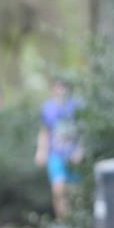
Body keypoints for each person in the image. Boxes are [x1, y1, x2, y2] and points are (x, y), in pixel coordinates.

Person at [34, 77, 81, 220]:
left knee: (75, 193)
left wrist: (80, 149)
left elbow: (82, 129)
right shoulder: (47, 108)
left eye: (63, 87)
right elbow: (44, 131)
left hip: (72, 155)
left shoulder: (76, 106)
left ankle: (75, 223)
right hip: (55, 154)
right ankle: (63, 223)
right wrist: (41, 151)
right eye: (57, 87)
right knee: (58, 189)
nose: (60, 90)